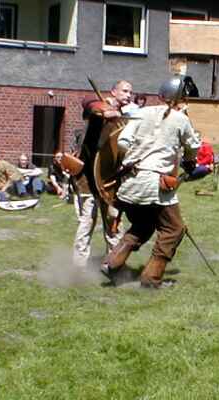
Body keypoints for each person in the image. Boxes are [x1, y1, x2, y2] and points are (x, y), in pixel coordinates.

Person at [101, 76, 201, 288]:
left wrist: (138, 156)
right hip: (154, 184)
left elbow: (123, 142)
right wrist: (189, 160)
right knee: (174, 229)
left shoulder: (140, 112)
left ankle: (112, 264)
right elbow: (193, 147)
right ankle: (151, 279)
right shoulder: (180, 119)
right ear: (179, 98)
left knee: (143, 225)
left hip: (130, 182)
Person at [71, 80, 133, 267]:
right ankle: (79, 267)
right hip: (88, 177)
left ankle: (113, 265)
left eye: (130, 92)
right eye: (125, 91)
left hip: (110, 179)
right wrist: (105, 109)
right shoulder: (100, 106)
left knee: (114, 222)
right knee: (87, 221)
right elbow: (88, 103)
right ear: (113, 91)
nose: (128, 95)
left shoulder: (122, 117)